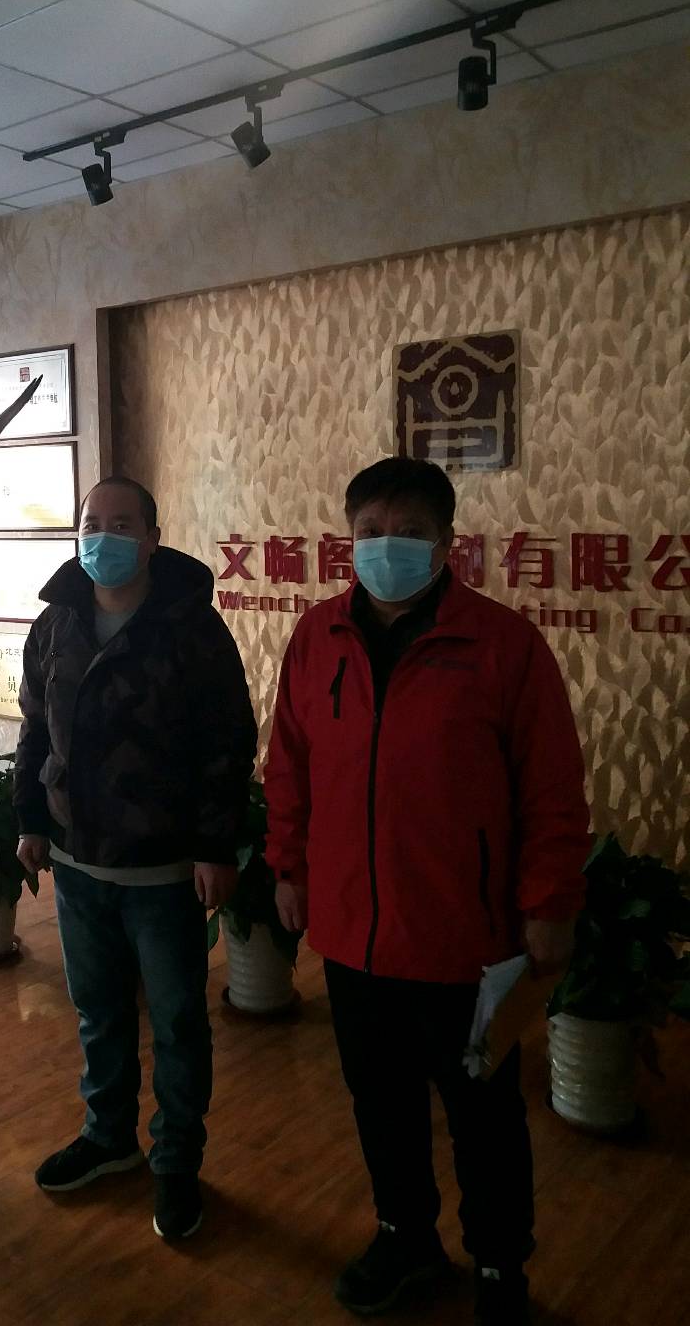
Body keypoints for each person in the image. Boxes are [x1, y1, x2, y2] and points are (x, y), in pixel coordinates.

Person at [264, 458, 589, 1326]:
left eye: (408, 532)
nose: (387, 547)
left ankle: (500, 1264)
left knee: (485, 1115)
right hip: (353, 935)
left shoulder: (503, 645)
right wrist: (287, 865)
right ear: (348, 539)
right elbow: (288, 763)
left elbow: (552, 789)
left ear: (448, 543)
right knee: (382, 1106)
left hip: (470, 941)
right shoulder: (318, 637)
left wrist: (549, 905)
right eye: (370, 531)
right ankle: (405, 1236)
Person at [15, 475, 257, 1241]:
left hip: (164, 869)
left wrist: (215, 847)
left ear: (153, 538)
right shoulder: (56, 623)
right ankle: (108, 1137)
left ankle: (176, 1161)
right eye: (91, 523)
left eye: (121, 524)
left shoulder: (190, 627)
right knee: (99, 1013)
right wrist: (30, 823)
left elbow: (228, 743)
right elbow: (34, 732)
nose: (103, 537)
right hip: (78, 861)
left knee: (179, 1024)